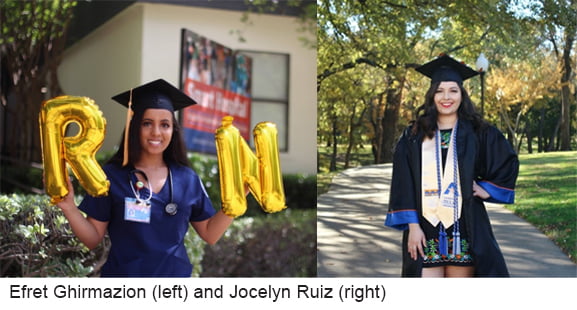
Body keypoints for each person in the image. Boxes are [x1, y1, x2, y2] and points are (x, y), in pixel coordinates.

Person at [55, 79, 235, 277]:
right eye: (147, 123)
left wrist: (236, 202)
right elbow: (92, 238)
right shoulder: (112, 176)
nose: (156, 132)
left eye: (165, 125)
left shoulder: (187, 179)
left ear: (173, 130)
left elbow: (210, 233)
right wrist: (70, 209)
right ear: (135, 127)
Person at [384, 54, 519, 277]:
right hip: (424, 228)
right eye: (439, 91)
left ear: (462, 95)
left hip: (465, 226)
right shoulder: (414, 135)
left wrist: (486, 188)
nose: (446, 97)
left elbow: (507, 160)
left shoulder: (478, 132)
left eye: (453, 90)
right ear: (431, 95)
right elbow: (403, 182)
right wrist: (413, 228)